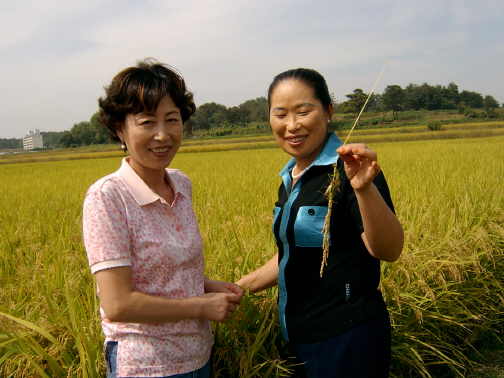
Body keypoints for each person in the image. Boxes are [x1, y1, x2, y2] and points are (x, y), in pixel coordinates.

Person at [236, 68, 404, 378]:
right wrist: (238, 289)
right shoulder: (290, 178)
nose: (292, 125)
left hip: (347, 338)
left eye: (303, 111)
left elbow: (388, 249)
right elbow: (295, 253)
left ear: (328, 111)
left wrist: (364, 188)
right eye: (280, 114)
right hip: (300, 338)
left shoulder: (352, 170)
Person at [82, 59, 243, 378]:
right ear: (120, 129)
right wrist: (201, 306)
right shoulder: (108, 197)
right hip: (146, 365)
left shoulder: (181, 183)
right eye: (146, 122)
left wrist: (207, 286)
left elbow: (165, 275)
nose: (162, 135)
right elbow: (118, 304)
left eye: (172, 119)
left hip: (199, 355)